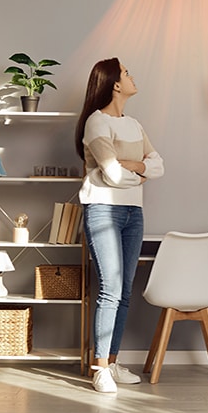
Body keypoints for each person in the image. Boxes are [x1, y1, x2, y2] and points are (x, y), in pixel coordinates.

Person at [75, 57, 165, 393]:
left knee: (124, 291)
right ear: (115, 84)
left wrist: (133, 166)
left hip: (133, 213)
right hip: (103, 209)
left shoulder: (135, 125)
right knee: (110, 290)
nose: (132, 76)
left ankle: (111, 362)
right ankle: (99, 367)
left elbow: (159, 166)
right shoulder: (96, 123)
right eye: (127, 73)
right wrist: (139, 173)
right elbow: (111, 175)